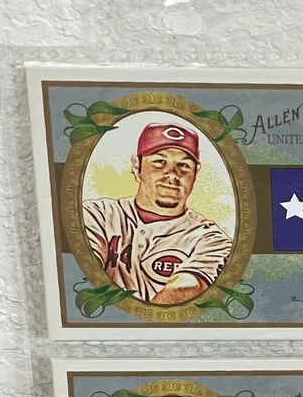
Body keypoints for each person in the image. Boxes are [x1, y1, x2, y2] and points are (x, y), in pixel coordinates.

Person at [82, 122, 233, 304]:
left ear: (195, 173)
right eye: (160, 162)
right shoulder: (98, 214)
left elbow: (185, 288)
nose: (172, 174)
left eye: (184, 165)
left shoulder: (212, 239)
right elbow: (83, 272)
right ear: (136, 165)